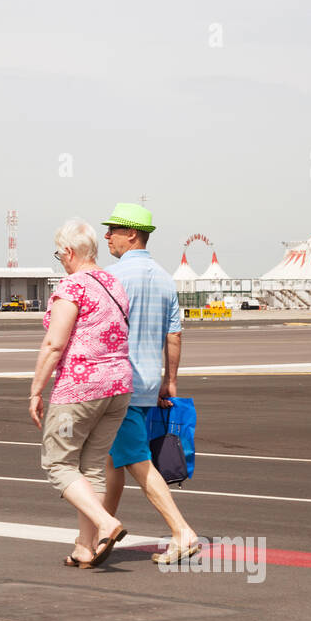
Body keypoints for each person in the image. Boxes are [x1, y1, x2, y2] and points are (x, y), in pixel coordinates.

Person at [98, 203, 200, 565]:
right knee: (115, 461)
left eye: (112, 230)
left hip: (119, 385)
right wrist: (169, 381)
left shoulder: (113, 279)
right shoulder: (164, 278)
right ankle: (101, 531)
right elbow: (174, 335)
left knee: (138, 461)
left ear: (132, 234)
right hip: (146, 384)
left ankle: (182, 530)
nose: (106, 236)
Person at [30, 219, 133, 568]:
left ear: (70, 252)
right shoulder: (114, 284)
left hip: (80, 389)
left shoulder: (71, 287)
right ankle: (85, 547)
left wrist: (35, 391)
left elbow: (54, 343)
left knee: (58, 463)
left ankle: (106, 523)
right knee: (92, 468)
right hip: (118, 387)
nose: (60, 259)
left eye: (59, 254)